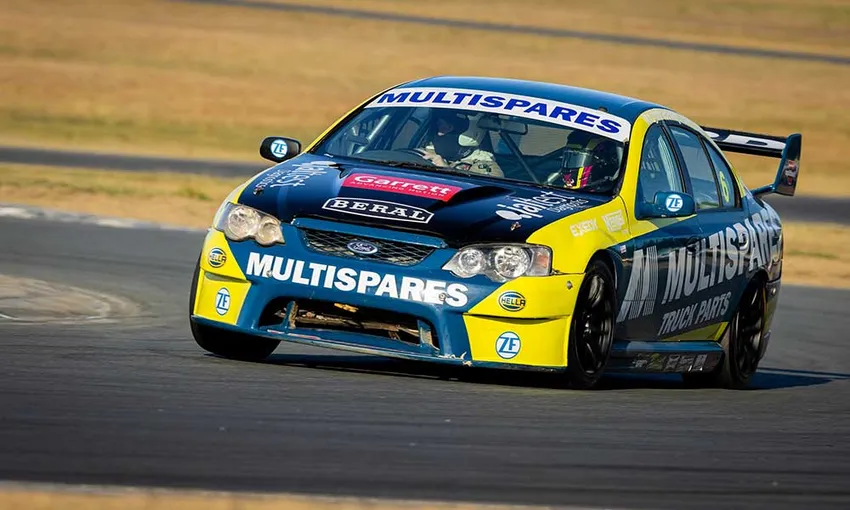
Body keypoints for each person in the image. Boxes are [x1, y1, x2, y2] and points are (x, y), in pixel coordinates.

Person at [416, 111, 504, 177]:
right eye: (438, 126)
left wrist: (446, 170)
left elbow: (485, 194)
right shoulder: (425, 154)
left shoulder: (485, 167)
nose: (439, 133)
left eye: (446, 127)